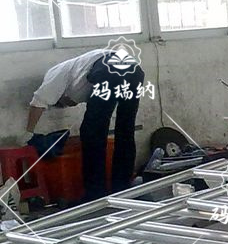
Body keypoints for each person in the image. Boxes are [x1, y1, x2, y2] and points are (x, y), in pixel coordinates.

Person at [25, 46, 145, 201]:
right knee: (125, 131)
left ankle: (95, 194)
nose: (64, 106)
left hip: (108, 69)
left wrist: (28, 132)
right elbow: (79, 101)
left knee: (92, 134)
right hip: (133, 70)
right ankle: (122, 189)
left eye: (60, 104)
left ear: (61, 95)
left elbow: (37, 102)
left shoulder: (54, 75)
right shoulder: (79, 81)